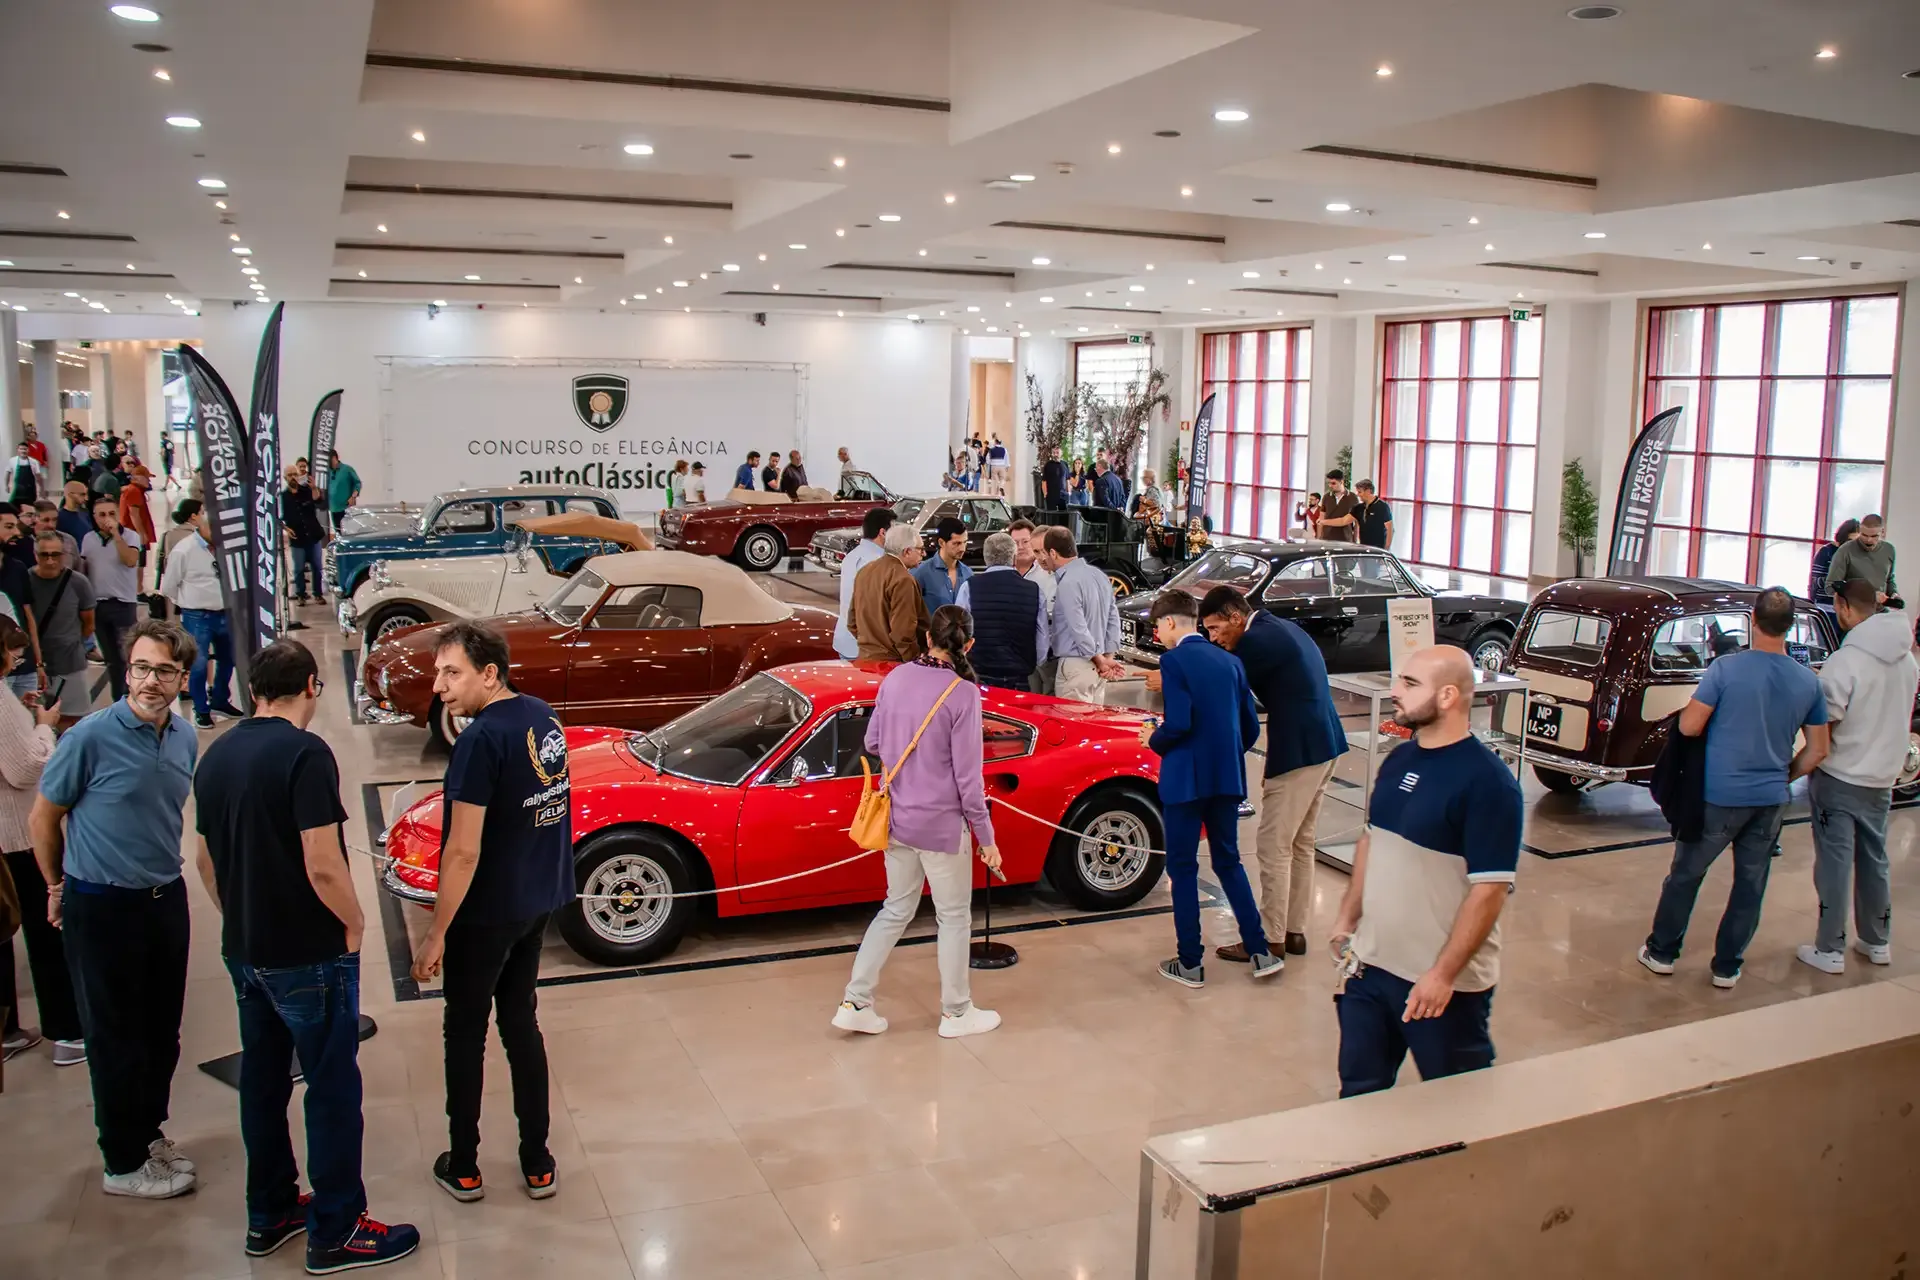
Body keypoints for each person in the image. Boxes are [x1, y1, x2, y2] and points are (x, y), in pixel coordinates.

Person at [192, 639, 421, 1270]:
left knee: (263, 1083)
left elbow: (204, 859)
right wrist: (354, 923)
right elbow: (322, 861)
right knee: (331, 1087)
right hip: (307, 954)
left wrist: (238, 916)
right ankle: (338, 1229)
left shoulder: (216, 755)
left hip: (245, 951)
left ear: (254, 690)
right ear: (313, 686)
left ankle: (268, 1214)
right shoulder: (306, 753)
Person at [30, 619, 199, 1198]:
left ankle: (147, 1133)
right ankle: (121, 1162)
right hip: (101, 903)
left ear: (183, 679)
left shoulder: (183, 737)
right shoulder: (90, 738)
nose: (151, 681)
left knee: (161, 1031)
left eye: (165, 671)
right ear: (127, 671)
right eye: (142, 668)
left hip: (163, 898)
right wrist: (56, 885)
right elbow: (43, 818)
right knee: (113, 1033)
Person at [410, 622, 572, 1203]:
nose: (439, 686)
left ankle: (464, 1165)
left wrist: (437, 932)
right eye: (437, 673)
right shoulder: (542, 716)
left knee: (465, 1033)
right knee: (520, 1022)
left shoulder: (479, 741)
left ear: (489, 674)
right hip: (536, 902)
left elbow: (462, 850)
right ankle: (538, 1160)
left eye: (451, 673)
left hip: (487, 913)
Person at [1327, 645, 1523, 1096]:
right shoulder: (1400, 759)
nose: (1395, 691)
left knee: (1454, 1104)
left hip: (1438, 986)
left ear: (1448, 696)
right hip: (1370, 969)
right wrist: (1347, 919)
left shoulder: (1489, 784)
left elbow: (1489, 891)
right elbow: (1372, 841)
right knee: (1358, 1095)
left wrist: (1442, 975)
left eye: (1410, 683)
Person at [1639, 588, 1829, 988]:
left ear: (1752, 621)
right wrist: (1784, 776)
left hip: (1719, 795)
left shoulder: (1725, 669)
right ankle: (1727, 966)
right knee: (1750, 884)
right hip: (1770, 799)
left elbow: (1690, 726)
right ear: (1790, 626)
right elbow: (1818, 750)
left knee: (1686, 874)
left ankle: (1662, 952)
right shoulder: (1808, 682)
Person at [832, 605, 1002, 1039]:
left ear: (928, 638)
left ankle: (855, 1001)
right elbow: (968, 779)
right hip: (941, 826)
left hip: (896, 818)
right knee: (953, 917)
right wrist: (986, 837)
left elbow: (873, 741)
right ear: (969, 644)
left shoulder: (896, 678)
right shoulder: (963, 694)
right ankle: (956, 1012)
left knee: (895, 909)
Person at [1197, 586, 1348, 961]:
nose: (1214, 638)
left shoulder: (1256, 641)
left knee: (1273, 846)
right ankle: (1293, 931)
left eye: (1215, 628)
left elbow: (1219, 681)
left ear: (1236, 618)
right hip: (1325, 743)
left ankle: (1269, 938)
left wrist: (1171, 675)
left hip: (1300, 751)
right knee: (1299, 843)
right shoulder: (1279, 627)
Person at [1143, 592, 1280, 987]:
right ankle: (1260, 950)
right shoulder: (1231, 661)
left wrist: (1153, 739)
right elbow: (1250, 727)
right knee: (1228, 861)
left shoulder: (1173, 662)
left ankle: (1190, 962)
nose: (1159, 635)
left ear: (1170, 623)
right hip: (1226, 777)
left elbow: (1179, 722)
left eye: (1158, 627)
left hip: (1186, 781)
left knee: (1182, 867)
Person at [1797, 580, 1917, 974]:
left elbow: (1826, 720)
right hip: (1882, 777)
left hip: (1840, 776)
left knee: (1834, 863)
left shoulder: (1845, 661)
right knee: (1874, 858)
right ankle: (1876, 940)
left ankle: (1829, 948)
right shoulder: (1907, 659)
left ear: (1845, 606)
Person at [0, 617, 83, 1068]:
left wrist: (24, 718)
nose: (17, 659)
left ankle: (9, 1030)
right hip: (18, 835)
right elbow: (25, 768)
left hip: (9, 834)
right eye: (12, 651)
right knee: (48, 930)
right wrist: (46, 727)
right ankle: (67, 1030)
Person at [160, 509, 241, 727]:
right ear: (201, 526)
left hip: (226, 613)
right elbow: (168, 587)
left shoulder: (227, 548)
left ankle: (220, 700)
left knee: (229, 659)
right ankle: (201, 708)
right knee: (198, 664)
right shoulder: (184, 550)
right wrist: (189, 602)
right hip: (197, 616)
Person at [956, 532, 1047, 692]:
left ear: (986, 558)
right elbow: (1042, 638)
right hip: (1020, 676)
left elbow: (959, 632)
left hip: (980, 674)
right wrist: (1033, 662)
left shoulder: (969, 587)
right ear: (1014, 558)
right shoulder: (1034, 590)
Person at [1041, 526, 1123, 702]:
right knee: (1094, 717)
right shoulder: (1099, 575)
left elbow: (1078, 628)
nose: (1044, 559)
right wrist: (1108, 656)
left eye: (1045, 554)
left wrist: (1099, 660)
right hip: (1098, 667)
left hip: (1077, 666)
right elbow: (1113, 618)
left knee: (1072, 717)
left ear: (1053, 553)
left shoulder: (1068, 582)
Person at [26, 530, 96, 725]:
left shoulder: (78, 582)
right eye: (44, 555)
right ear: (35, 555)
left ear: (64, 555)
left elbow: (89, 623)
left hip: (70, 663)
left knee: (73, 721)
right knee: (34, 721)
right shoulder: (25, 581)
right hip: (34, 667)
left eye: (55, 555)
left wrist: (75, 644)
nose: (50, 561)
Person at [80, 493, 142, 703]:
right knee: (112, 660)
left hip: (123, 605)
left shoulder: (130, 536)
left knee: (127, 657)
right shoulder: (89, 539)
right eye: (101, 515)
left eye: (111, 513)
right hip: (98, 605)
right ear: (94, 517)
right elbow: (84, 570)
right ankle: (119, 700)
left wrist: (116, 535)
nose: (107, 518)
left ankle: (132, 698)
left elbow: (130, 560)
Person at [849, 524, 929, 663]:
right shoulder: (903, 579)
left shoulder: (865, 571)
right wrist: (913, 662)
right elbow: (903, 631)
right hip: (892, 663)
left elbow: (852, 621)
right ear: (907, 551)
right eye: (921, 549)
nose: (924, 554)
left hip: (864, 660)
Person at [833, 507, 894, 660]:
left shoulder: (852, 556)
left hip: (845, 640)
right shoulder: (877, 562)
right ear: (883, 532)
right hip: (865, 647)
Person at [1009, 518, 1057, 693]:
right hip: (1016, 654)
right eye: (1015, 543)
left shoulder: (1049, 572)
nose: (1020, 547)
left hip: (1048, 654)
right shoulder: (1004, 574)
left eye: (1025, 541)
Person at [281, 465, 328, 605]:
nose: (293, 477)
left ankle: (318, 594)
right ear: (285, 478)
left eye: (295, 474)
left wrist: (314, 488)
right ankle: (301, 595)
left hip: (313, 536)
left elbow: (318, 501)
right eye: (290, 475)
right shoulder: (283, 497)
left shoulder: (307, 491)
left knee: (317, 567)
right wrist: (286, 529)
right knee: (298, 569)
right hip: (297, 538)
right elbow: (277, 517)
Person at [1826, 514, 1896, 604]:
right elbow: (1830, 587)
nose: (1868, 540)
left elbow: (1889, 580)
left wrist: (1894, 594)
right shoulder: (1845, 550)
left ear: (1882, 532)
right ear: (1860, 530)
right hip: (1854, 609)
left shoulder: (1889, 550)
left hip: (1880, 610)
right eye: (1864, 535)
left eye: (1874, 536)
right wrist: (1870, 596)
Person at [912, 516, 973, 613]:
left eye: (964, 542)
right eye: (956, 543)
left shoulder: (968, 573)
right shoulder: (921, 573)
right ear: (941, 543)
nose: (962, 549)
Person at [153, 498, 202, 603]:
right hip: (194, 593)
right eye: (202, 513)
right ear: (193, 516)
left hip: (171, 594)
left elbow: (159, 564)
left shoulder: (167, 535)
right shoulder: (198, 537)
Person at [119, 465, 157, 588]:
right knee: (139, 563)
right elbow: (133, 514)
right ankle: (138, 590)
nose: (149, 480)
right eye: (146, 477)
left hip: (133, 533)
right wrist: (141, 534)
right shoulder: (134, 491)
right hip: (133, 533)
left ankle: (138, 588)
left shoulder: (135, 491)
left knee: (140, 562)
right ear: (137, 478)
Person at [33, 498, 80, 570]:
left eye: (54, 520)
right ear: (33, 520)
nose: (51, 525)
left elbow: (79, 570)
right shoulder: (25, 543)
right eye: (46, 520)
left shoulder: (68, 541)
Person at [325, 448, 361, 533]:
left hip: (346, 507)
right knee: (338, 532)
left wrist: (353, 496)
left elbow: (357, 483)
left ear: (334, 458)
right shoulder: (327, 472)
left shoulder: (347, 469)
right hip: (333, 508)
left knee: (348, 532)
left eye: (329, 460)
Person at [1317, 470, 1358, 542]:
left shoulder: (1353, 498)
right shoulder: (1326, 497)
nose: (1330, 486)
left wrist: (1355, 539)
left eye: (1333, 483)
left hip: (1345, 538)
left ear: (1341, 482)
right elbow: (1321, 518)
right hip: (1327, 538)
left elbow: (1357, 521)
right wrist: (1319, 538)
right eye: (1329, 483)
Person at [1353, 480, 1394, 550]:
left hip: (1378, 549)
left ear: (1368, 491)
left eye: (1360, 492)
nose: (1358, 494)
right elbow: (1344, 520)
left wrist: (1386, 550)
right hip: (1364, 548)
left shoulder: (1383, 507)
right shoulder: (1359, 507)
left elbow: (1390, 530)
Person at [57, 479, 93, 547]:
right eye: (82, 494)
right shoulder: (59, 517)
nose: (86, 498)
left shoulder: (85, 514)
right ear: (70, 495)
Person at [8, 441, 39, 506]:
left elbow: (38, 476)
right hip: (17, 491)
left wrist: (41, 488)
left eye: (25, 449)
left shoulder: (34, 462)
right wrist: (6, 485)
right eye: (21, 449)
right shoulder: (12, 460)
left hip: (30, 491)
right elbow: (8, 474)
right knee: (14, 507)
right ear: (18, 450)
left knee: (30, 508)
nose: (23, 451)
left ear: (28, 450)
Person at [1041, 445, 1067, 510]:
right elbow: (1044, 481)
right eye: (1054, 453)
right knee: (1051, 514)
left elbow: (1067, 479)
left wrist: (1068, 492)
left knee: (1063, 514)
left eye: (1057, 453)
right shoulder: (1048, 465)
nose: (1055, 454)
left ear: (1061, 453)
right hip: (1051, 495)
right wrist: (1045, 494)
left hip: (1063, 495)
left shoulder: (1065, 464)